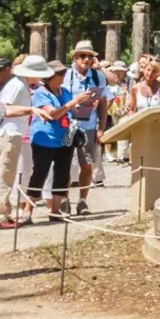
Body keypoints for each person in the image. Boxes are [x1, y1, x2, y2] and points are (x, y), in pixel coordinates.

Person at [24, 57, 75, 220]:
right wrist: (73, 103)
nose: (63, 75)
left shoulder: (65, 92)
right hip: (44, 139)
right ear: (50, 75)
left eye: (64, 72)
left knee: (62, 174)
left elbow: (73, 113)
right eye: (60, 73)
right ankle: (27, 211)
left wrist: (86, 105)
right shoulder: (40, 93)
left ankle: (55, 211)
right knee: (40, 173)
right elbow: (52, 114)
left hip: (65, 137)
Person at [0, 54, 34, 228]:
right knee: (4, 175)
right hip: (7, 133)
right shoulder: (13, 85)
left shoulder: (10, 84)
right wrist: (31, 110)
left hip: (7, 133)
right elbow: (4, 110)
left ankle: (2, 212)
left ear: (8, 69)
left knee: (5, 174)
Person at [63, 40, 108, 215]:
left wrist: (101, 127)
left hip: (88, 125)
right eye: (83, 56)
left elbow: (103, 103)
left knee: (87, 164)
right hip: (67, 126)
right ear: (75, 57)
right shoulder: (65, 75)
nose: (87, 59)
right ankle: (64, 199)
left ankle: (82, 200)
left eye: (90, 56)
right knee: (64, 164)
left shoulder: (98, 77)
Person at [104, 61, 131, 163]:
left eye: (120, 71)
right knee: (115, 132)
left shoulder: (129, 80)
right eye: (116, 71)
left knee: (122, 130)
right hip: (113, 111)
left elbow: (131, 93)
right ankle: (113, 154)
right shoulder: (111, 81)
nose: (118, 73)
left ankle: (121, 156)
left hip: (125, 110)